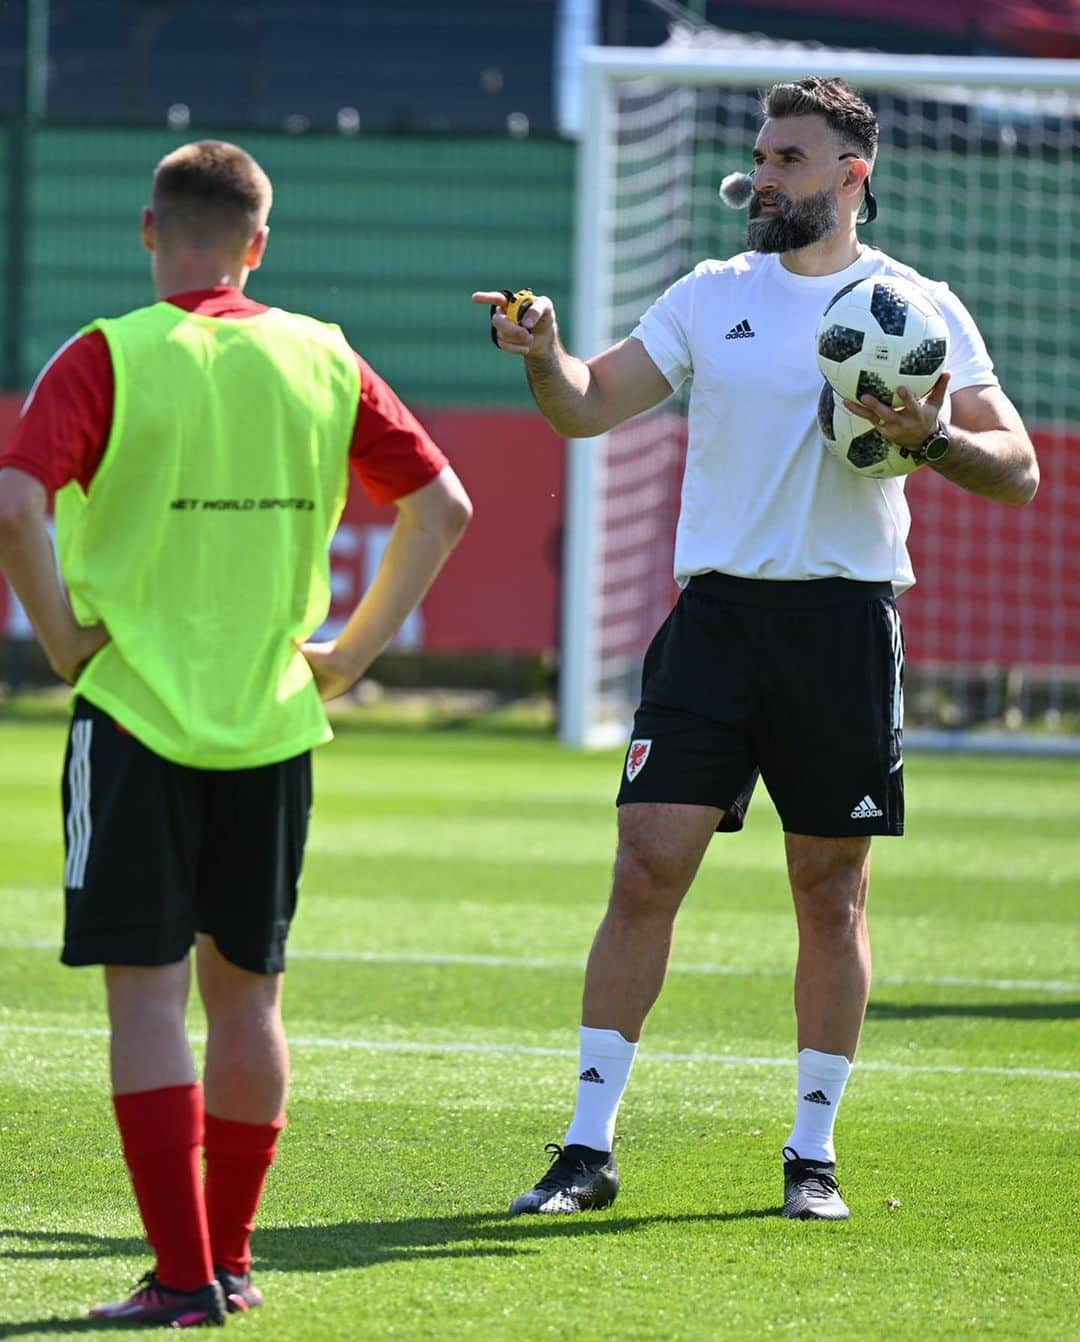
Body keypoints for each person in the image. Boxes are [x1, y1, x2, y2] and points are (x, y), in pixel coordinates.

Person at [474, 76, 1037, 1222]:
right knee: (644, 871)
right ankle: (585, 1147)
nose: (764, 175)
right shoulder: (709, 293)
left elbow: (1016, 468)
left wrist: (929, 438)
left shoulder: (919, 308)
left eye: (789, 158)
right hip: (715, 624)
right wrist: (544, 351)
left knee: (830, 893)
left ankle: (812, 1155)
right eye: (763, 155)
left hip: (841, 622)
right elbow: (585, 405)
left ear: (851, 176)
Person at [0, 139, 471, 1324]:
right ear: (259, 244)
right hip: (274, 724)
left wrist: (60, 638)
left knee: (147, 1003)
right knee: (247, 1001)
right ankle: (235, 1261)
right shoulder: (322, 353)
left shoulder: (108, 351)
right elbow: (443, 506)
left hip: (137, 716)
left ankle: (180, 1276)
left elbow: (14, 502)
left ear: (149, 231)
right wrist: (352, 656)